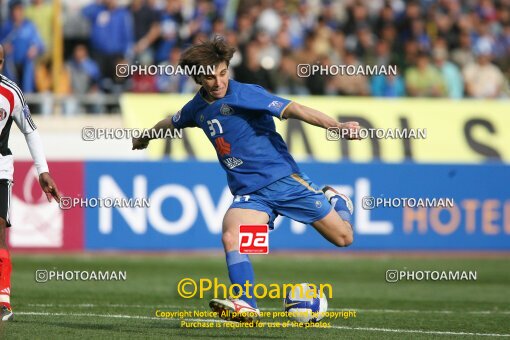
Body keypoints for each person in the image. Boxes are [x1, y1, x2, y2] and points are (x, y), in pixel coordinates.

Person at [132, 37, 358, 323]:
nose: (218, 82)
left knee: (344, 237)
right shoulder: (196, 108)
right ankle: (247, 304)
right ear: (197, 78)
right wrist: (145, 137)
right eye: (209, 77)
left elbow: (296, 109)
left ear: (228, 68)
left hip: (285, 181)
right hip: (252, 195)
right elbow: (171, 122)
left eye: (223, 73)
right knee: (231, 236)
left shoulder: (246, 93)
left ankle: (338, 201)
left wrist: (336, 126)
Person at [0, 44, 61, 321]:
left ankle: (3, 302)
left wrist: (43, 170)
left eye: (0, 60)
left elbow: (30, 131)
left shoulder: (10, 92)